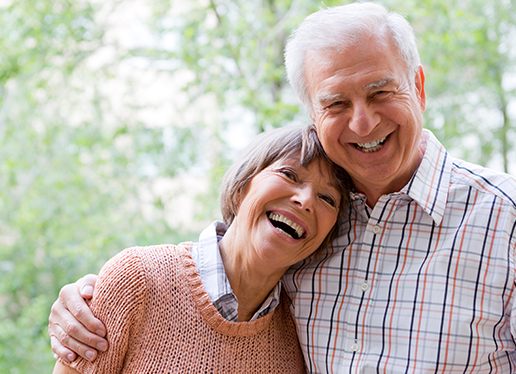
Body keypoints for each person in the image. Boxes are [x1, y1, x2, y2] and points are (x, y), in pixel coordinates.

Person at [50, 2, 516, 372]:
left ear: (417, 85)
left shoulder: (505, 220)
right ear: (313, 114)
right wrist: (96, 298)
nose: (363, 120)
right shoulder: (308, 235)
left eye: (380, 92)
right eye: (336, 101)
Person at [51, 125, 350, 373]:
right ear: (242, 187)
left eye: (327, 199)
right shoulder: (137, 279)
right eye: (289, 174)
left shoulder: (300, 329)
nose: (306, 200)